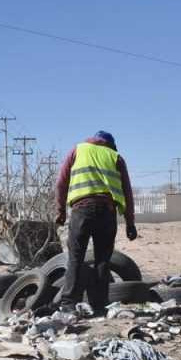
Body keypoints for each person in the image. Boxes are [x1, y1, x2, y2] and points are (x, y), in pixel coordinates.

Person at [54, 130, 137, 315]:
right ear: (110, 145)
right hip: (106, 212)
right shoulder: (116, 157)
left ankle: (68, 304)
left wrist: (60, 211)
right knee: (102, 260)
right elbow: (127, 192)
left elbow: (61, 182)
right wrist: (130, 222)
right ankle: (99, 305)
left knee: (75, 258)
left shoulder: (77, 150)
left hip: (81, 211)